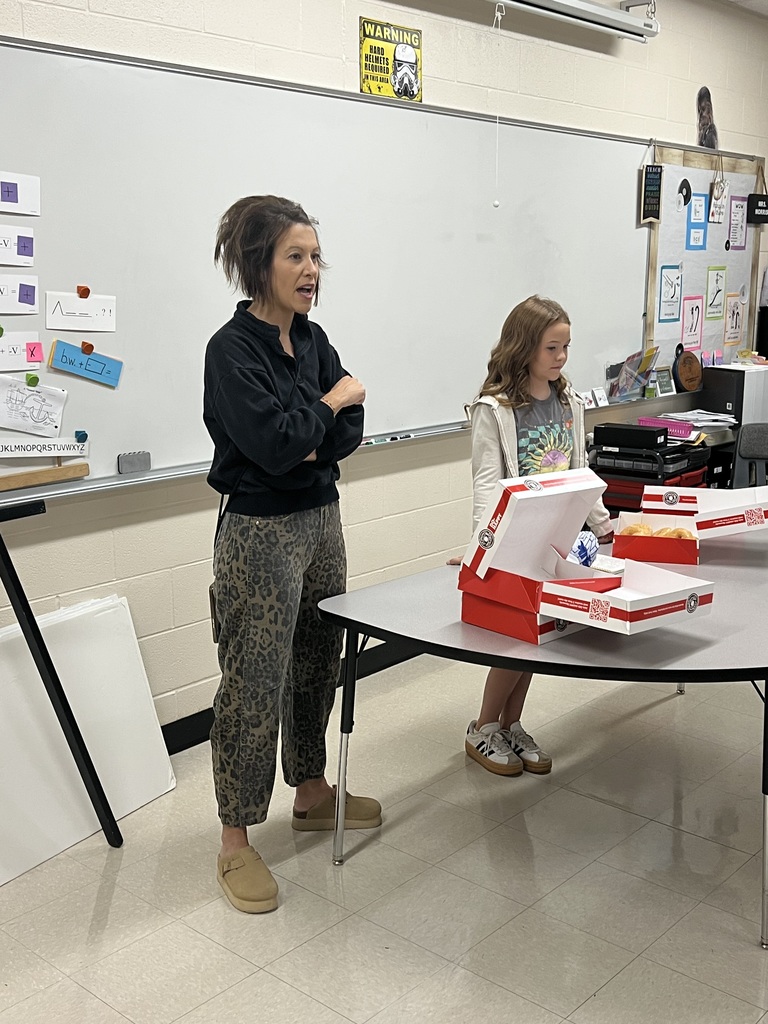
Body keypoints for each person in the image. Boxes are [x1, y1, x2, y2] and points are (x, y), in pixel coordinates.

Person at [203, 195, 381, 914]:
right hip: (259, 531)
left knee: (316, 660)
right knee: (253, 681)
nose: (311, 271)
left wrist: (314, 430)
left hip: (321, 518)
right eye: (295, 257)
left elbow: (347, 431)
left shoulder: (313, 339)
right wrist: (328, 407)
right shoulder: (231, 350)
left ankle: (310, 790)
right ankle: (234, 840)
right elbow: (278, 446)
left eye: (315, 257)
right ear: (259, 265)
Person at [459, 295, 614, 777]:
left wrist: (605, 526)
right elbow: (487, 483)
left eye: (566, 347)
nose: (562, 357)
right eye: (552, 348)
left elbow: (580, 472)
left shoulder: (570, 402)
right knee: (515, 640)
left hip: (558, 541)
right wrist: (480, 550)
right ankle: (483, 728)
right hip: (513, 542)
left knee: (537, 639)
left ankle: (512, 725)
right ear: (524, 347)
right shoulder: (494, 409)